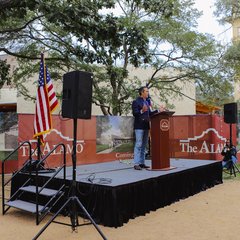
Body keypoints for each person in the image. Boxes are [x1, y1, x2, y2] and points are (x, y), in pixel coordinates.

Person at [132, 86, 164, 170]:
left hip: (146, 126)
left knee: (144, 145)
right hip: (139, 126)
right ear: (142, 92)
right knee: (138, 144)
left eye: (148, 91)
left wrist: (158, 111)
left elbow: (150, 114)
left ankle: (142, 163)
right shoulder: (135, 102)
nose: (148, 93)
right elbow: (135, 113)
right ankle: (136, 164)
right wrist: (142, 110)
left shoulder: (147, 102)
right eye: (146, 91)